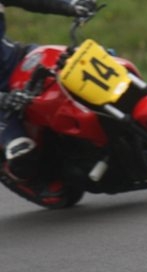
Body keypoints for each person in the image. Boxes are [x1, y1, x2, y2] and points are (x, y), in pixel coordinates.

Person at [0, 0, 97, 204]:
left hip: (19, 60)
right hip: (3, 101)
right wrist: (3, 98)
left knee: (84, 65)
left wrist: (71, 6)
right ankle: (29, 177)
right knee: (22, 153)